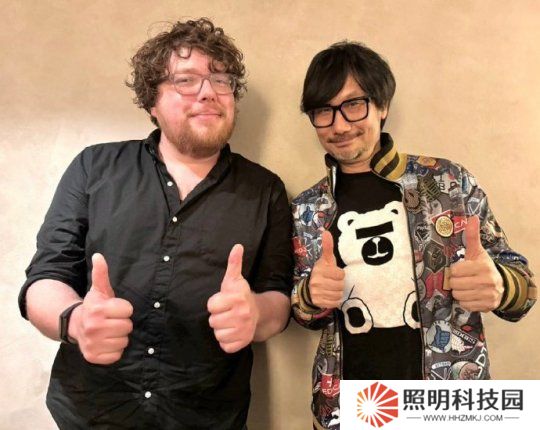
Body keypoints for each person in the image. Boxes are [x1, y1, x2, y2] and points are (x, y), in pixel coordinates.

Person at [19, 18, 293, 430]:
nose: (208, 92)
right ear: (152, 101)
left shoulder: (265, 190)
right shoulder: (95, 167)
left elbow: (278, 296)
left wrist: (255, 314)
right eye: (186, 80)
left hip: (208, 416)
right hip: (90, 411)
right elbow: (45, 277)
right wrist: (75, 321)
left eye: (221, 80)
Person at [291, 41, 536, 430]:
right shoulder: (308, 209)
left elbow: (523, 288)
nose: (339, 125)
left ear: (382, 105)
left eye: (353, 105)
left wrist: (502, 286)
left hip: (447, 406)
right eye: (323, 111)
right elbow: (304, 315)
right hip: (352, 408)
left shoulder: (448, 182)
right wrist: (309, 297)